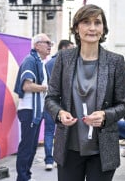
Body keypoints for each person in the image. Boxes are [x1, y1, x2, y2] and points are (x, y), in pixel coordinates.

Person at [45, 4, 125, 181]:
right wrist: (59, 113)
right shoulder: (63, 58)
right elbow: (51, 98)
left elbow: (123, 105)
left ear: (103, 28)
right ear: (77, 28)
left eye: (97, 23)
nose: (92, 28)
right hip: (69, 147)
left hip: (102, 149)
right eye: (86, 22)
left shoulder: (115, 61)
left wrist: (106, 115)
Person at [14, 33, 52, 181]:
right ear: (37, 45)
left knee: (31, 147)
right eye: (47, 43)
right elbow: (27, 85)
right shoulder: (30, 60)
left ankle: (26, 176)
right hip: (29, 110)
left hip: (35, 110)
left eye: (51, 43)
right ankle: (22, 177)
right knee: (26, 147)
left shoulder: (40, 62)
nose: (50, 46)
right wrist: (46, 88)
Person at [44, 39, 74, 171]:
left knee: (49, 131)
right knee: (61, 130)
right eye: (71, 48)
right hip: (63, 103)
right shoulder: (67, 62)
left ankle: (49, 160)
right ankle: (58, 158)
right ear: (64, 48)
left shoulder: (48, 63)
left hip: (50, 102)